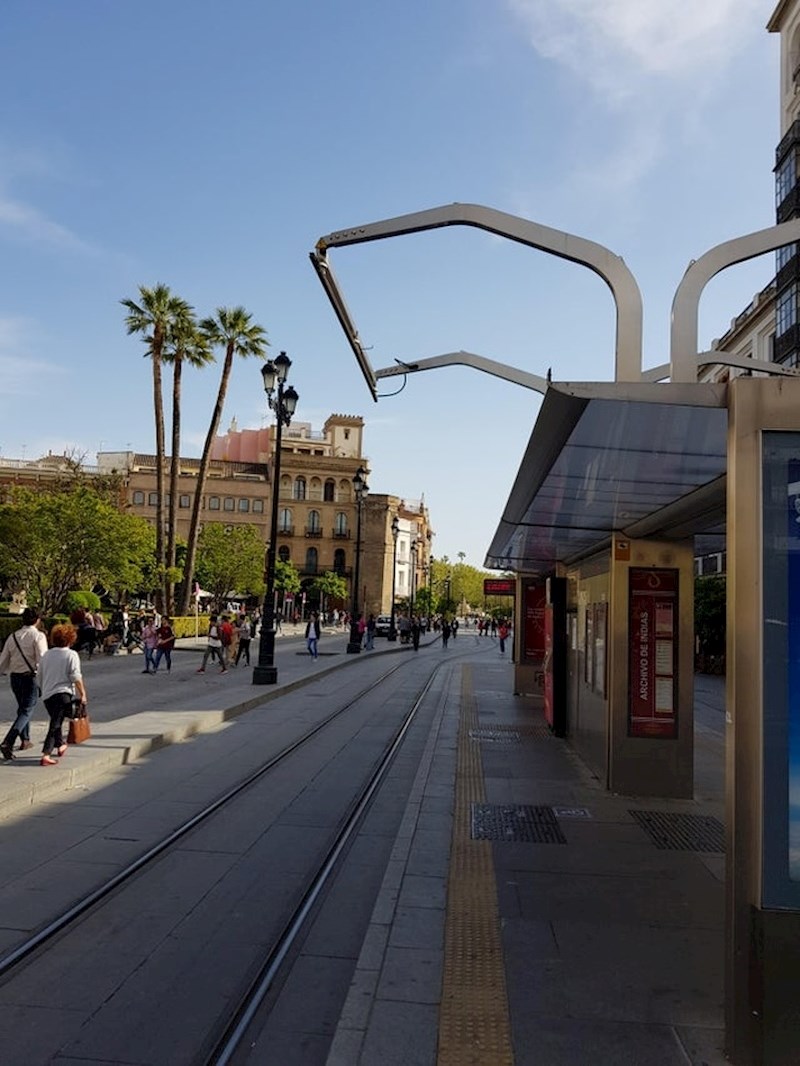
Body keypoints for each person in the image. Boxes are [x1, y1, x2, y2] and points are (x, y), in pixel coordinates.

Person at [0, 607, 48, 758]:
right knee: (27, 710)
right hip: (30, 677)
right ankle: (8, 741)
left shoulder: (13, 636)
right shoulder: (38, 636)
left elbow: (3, 660)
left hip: (15, 677)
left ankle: (25, 739)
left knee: (22, 709)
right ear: (38, 620)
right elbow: (42, 659)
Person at [38, 623, 87, 767]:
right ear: (71, 639)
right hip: (63, 693)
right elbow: (75, 676)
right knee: (55, 723)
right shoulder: (71, 655)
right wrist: (82, 693)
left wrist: (43, 689)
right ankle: (46, 754)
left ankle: (60, 745)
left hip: (47, 694)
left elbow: (39, 675)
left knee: (56, 719)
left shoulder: (46, 655)